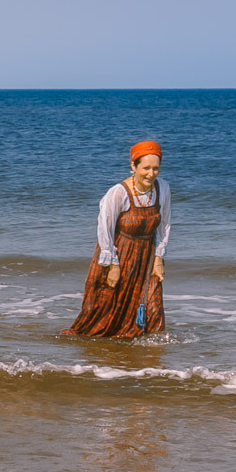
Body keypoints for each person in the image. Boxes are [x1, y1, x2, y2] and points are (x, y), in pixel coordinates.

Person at [66, 140, 170, 338]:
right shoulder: (118, 193)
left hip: (146, 257)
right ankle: (108, 354)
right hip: (119, 253)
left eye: (156, 168)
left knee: (153, 307)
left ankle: (152, 358)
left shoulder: (162, 188)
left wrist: (159, 258)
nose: (151, 174)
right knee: (105, 312)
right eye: (146, 168)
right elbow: (105, 229)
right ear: (133, 166)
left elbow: (165, 225)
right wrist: (113, 265)